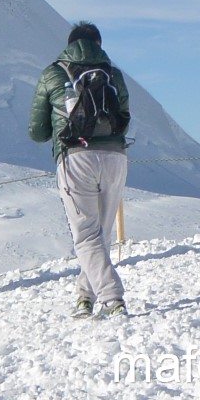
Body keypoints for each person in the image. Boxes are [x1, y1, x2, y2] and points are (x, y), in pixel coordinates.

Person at [27, 22, 134, 318]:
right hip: (115, 156)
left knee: (87, 236)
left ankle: (112, 298)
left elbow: (37, 131)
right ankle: (84, 297)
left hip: (75, 158)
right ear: (98, 43)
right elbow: (124, 115)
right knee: (100, 232)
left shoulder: (53, 73)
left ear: (69, 44)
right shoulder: (113, 74)